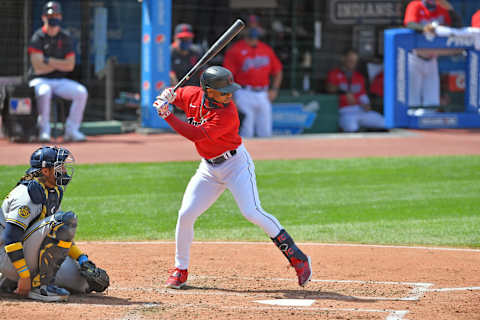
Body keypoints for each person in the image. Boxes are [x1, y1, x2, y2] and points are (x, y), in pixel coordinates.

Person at [153, 66, 312, 289]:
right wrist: (167, 94)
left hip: (235, 165)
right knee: (186, 213)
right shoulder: (192, 95)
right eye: (224, 91)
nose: (229, 95)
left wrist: (167, 114)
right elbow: (174, 93)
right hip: (208, 169)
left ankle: (297, 257)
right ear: (208, 91)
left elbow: (196, 135)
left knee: (251, 211)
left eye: (230, 91)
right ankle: (180, 269)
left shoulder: (227, 113)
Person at [0, 146, 109, 302]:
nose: (64, 170)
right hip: (6, 255)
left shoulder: (52, 191)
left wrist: (81, 259)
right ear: (45, 171)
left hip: (24, 253)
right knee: (65, 220)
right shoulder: (26, 195)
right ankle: (40, 286)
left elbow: (55, 235)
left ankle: (9, 282)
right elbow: (10, 237)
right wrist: (24, 275)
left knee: (84, 283)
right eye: (60, 167)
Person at [28, 1, 88, 142]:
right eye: (50, 15)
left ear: (60, 17)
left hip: (60, 81)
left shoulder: (65, 37)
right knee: (44, 92)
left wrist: (48, 60)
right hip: (40, 80)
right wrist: (60, 64)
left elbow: (70, 66)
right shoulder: (38, 37)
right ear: (43, 17)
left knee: (81, 92)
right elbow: (38, 67)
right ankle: (44, 131)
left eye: (56, 15)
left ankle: (71, 130)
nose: (53, 18)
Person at [223, 15, 283, 138]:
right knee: (246, 132)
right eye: (250, 26)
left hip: (263, 93)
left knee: (266, 132)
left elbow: (278, 71)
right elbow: (227, 76)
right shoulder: (235, 49)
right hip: (244, 92)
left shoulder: (266, 49)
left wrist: (274, 89)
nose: (253, 29)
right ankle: (245, 157)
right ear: (243, 30)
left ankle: (265, 157)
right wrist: (231, 96)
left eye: (256, 26)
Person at [403, 0, 461, 108]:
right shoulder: (416, 5)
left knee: (432, 101)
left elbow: (457, 26)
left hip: (432, 59)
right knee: (412, 100)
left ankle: (431, 123)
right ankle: (409, 124)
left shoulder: (442, 7)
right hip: (414, 58)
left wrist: (451, 9)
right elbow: (410, 24)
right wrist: (424, 28)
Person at [326, 49, 386, 132]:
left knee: (384, 123)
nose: (352, 63)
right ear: (343, 59)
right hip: (344, 112)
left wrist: (366, 104)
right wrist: (345, 93)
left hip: (360, 110)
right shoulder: (335, 73)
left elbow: (362, 95)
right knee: (351, 128)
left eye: (354, 61)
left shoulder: (359, 77)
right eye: (350, 60)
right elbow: (330, 88)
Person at [170, 23, 204, 87]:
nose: (185, 41)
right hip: (174, 90)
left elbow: (202, 71)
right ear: (175, 38)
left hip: (193, 89)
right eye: (182, 39)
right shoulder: (168, 52)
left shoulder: (196, 52)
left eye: (188, 38)